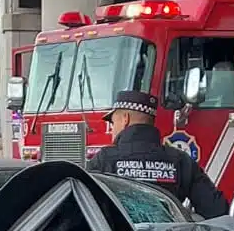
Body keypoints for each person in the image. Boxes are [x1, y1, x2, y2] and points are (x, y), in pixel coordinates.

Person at [89, 89, 226, 218]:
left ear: (125, 119)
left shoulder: (104, 160)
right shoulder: (180, 161)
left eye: (113, 123)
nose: (112, 130)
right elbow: (217, 210)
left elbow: (82, 207)